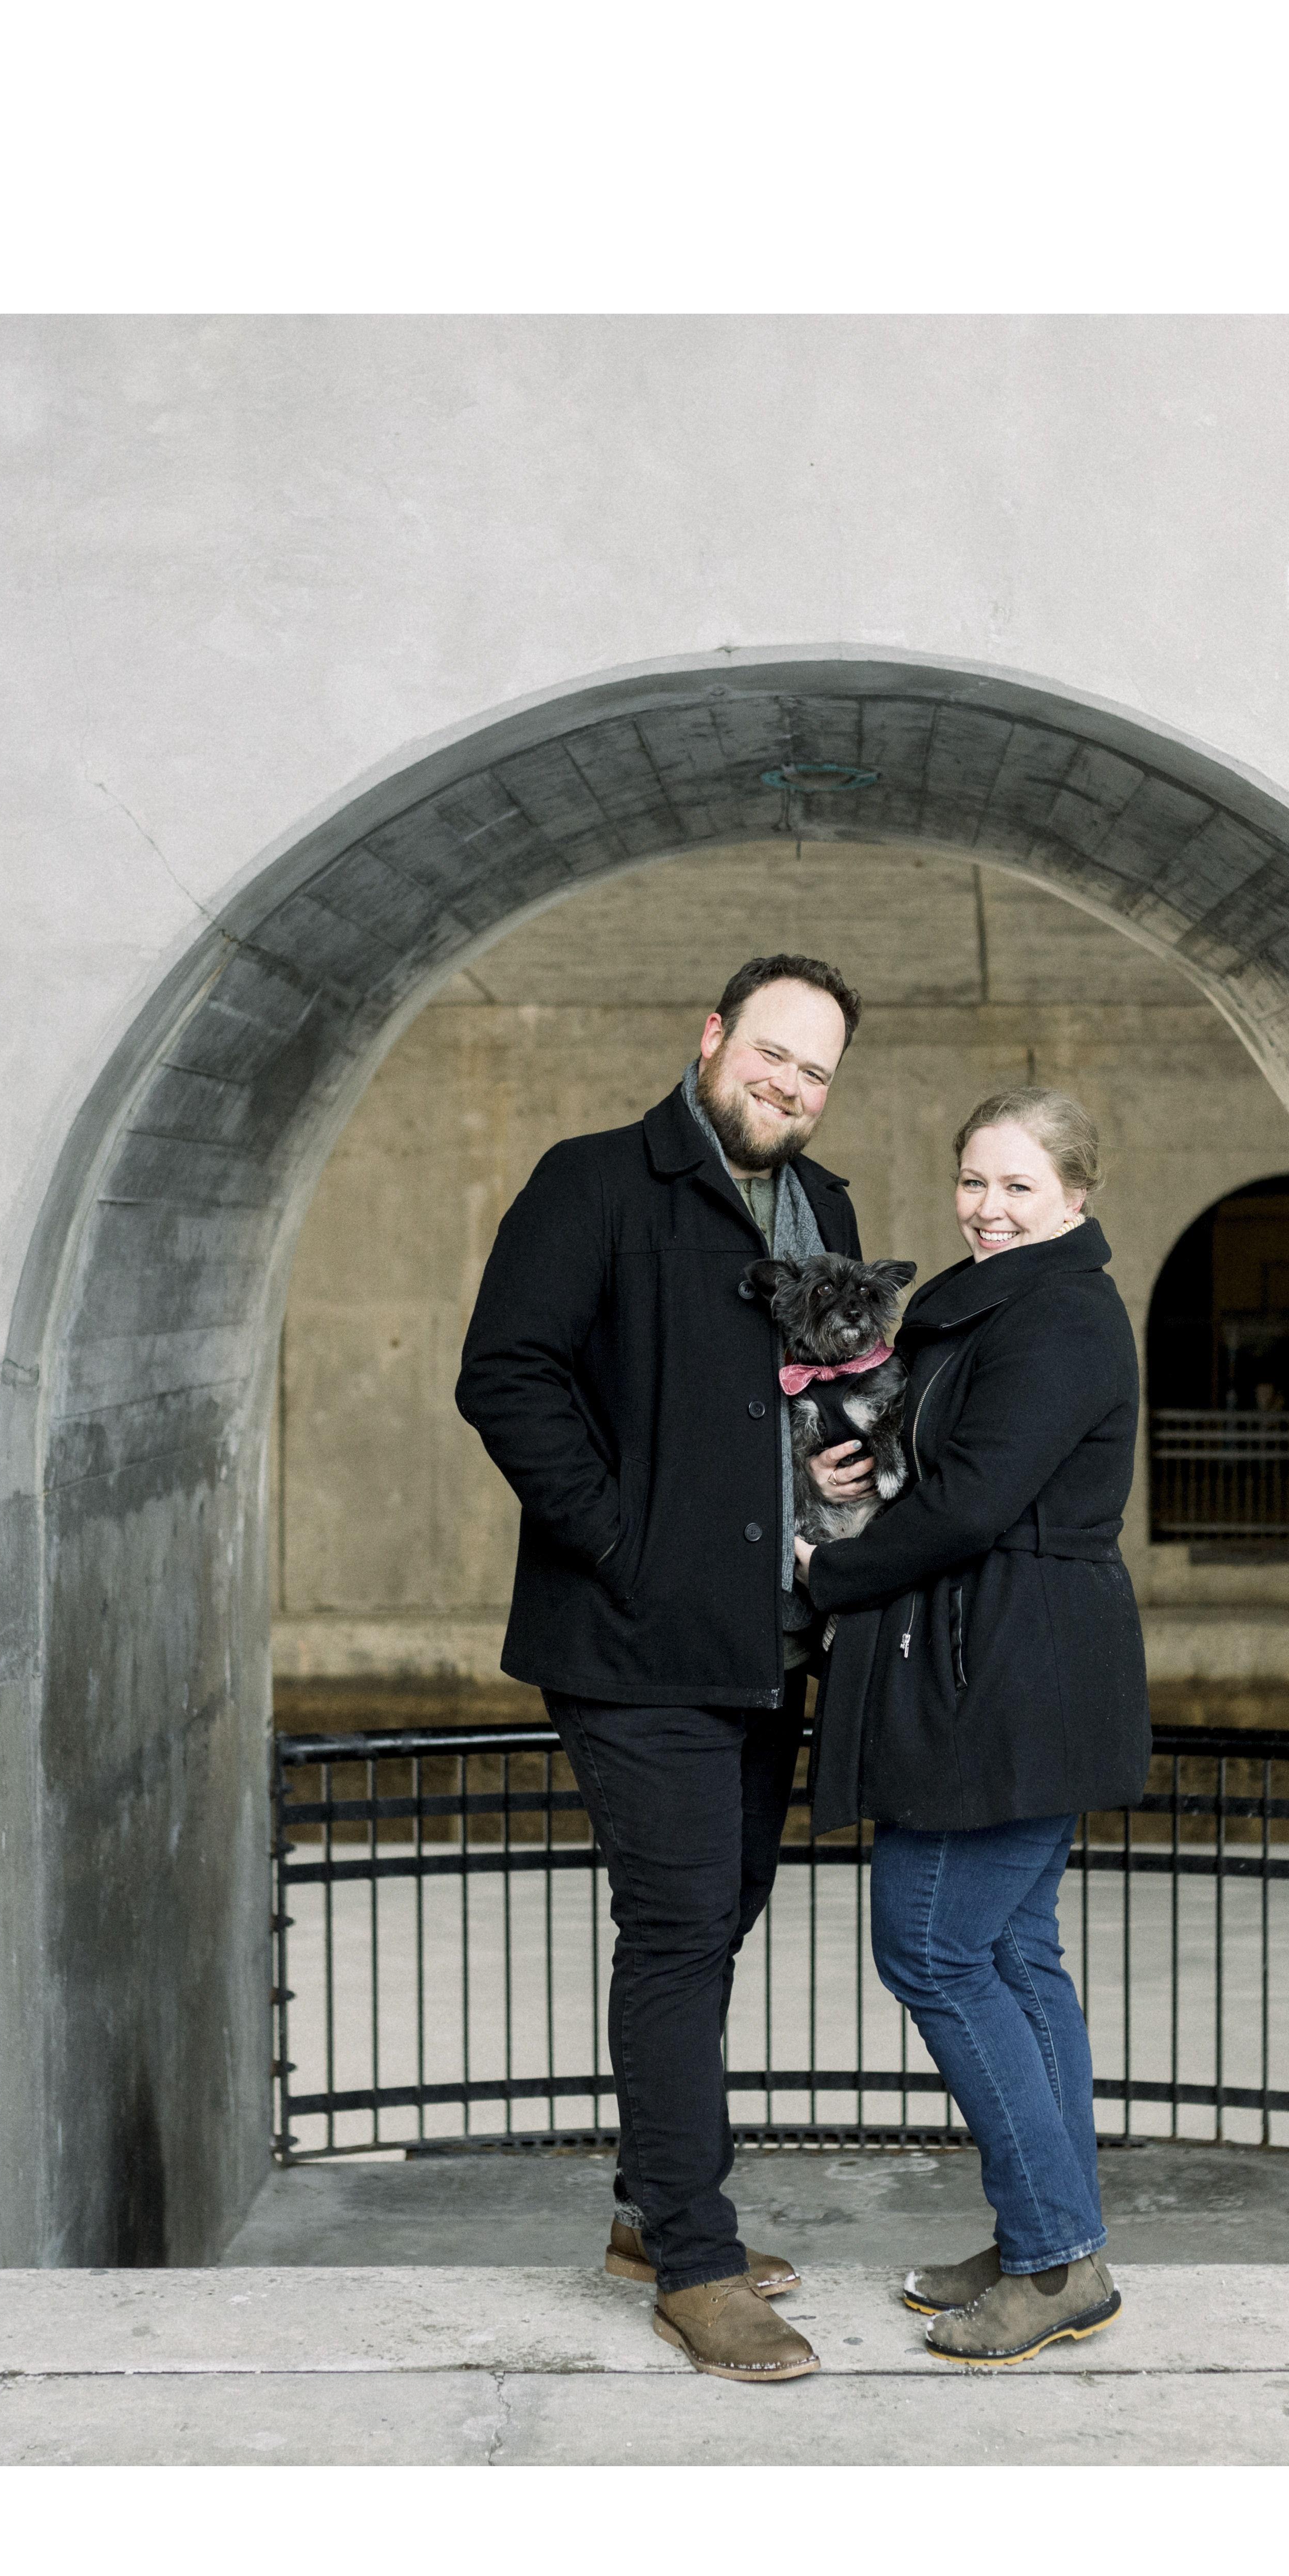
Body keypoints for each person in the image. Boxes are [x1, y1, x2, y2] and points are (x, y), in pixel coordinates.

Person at [453, 954, 880, 2382]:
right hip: (635, 1642)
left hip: (768, 1640)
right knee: (681, 1927)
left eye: (815, 1070)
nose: (790, 1084)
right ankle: (696, 2261)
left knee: (722, 1912)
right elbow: (505, 1371)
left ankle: (650, 2210)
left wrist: (837, 1457)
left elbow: (815, 1387)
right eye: (772, 1052)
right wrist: (619, 1537)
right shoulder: (592, 1183)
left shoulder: (824, 1208)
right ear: (711, 1037)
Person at [797, 1085, 1150, 2366]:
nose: (987, 1208)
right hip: (1002, 1660)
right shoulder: (995, 1303)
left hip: (1010, 1669)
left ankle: (1053, 2261)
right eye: (973, 1182)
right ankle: (1050, 2240)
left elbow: (974, 1502)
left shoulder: (1059, 1316)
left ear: (1074, 1196)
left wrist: (828, 1569)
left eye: (1017, 1187)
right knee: (1011, 1953)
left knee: (933, 1945)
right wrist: (850, 1466)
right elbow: (939, 1471)